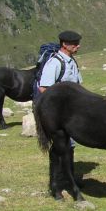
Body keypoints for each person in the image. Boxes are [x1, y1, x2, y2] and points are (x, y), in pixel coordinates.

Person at [37, 30, 83, 191]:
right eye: (75, 44)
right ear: (65, 44)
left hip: (72, 114)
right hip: (58, 114)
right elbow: (44, 88)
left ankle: (69, 176)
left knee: (70, 145)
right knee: (59, 146)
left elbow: (78, 86)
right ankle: (56, 182)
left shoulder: (72, 61)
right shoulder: (55, 63)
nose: (78, 46)